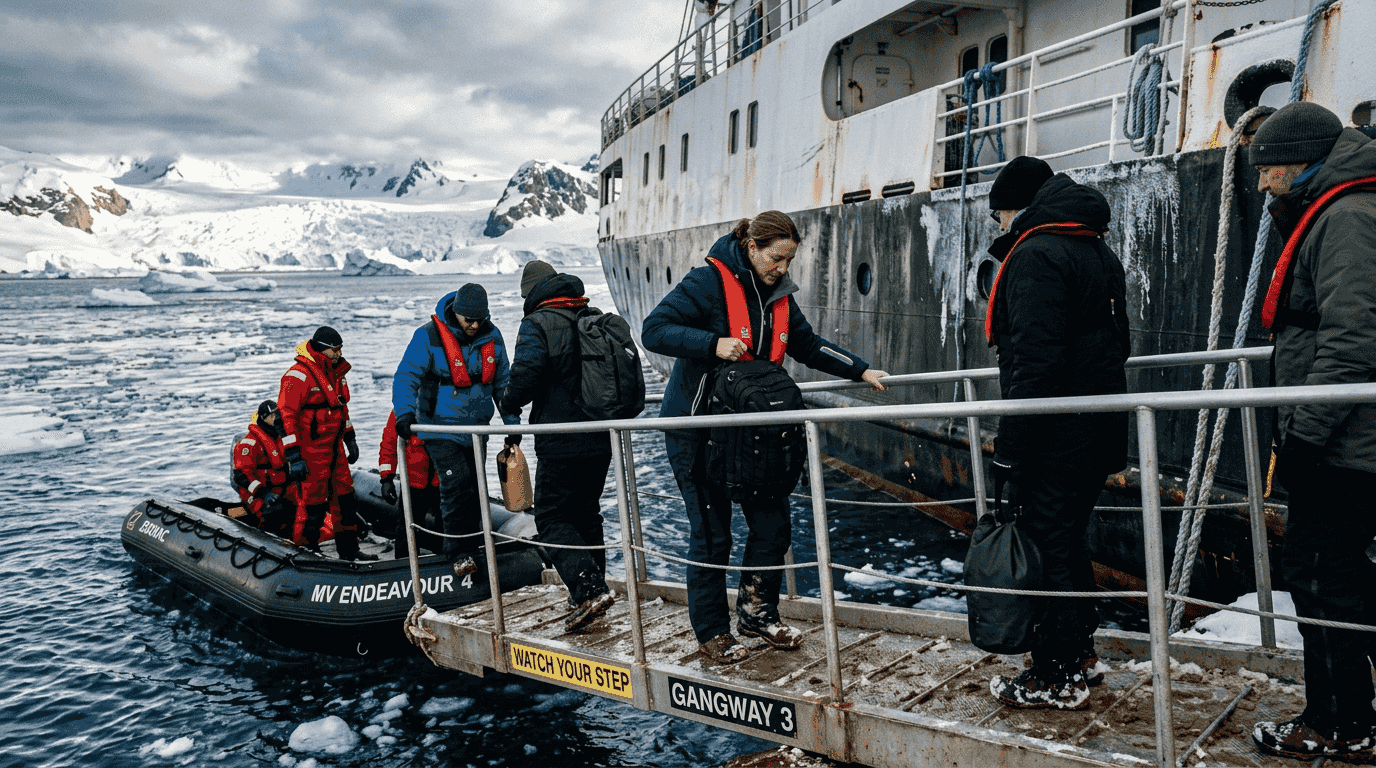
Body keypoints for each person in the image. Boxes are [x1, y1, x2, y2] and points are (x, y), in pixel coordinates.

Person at [642, 210, 889, 664]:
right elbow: (653, 330)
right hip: (698, 430)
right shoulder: (706, 283)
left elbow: (808, 345)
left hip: (753, 435)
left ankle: (757, 615)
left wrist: (860, 370)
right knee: (713, 536)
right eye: (776, 258)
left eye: (789, 260)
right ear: (752, 247)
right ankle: (713, 633)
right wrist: (712, 344)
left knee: (773, 528)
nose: (783, 268)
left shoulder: (778, 295)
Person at [1245, 102, 1376, 760]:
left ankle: (1339, 724)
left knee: (1322, 576)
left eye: (1267, 170)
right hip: (1344, 439)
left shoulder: (1347, 217)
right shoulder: (1337, 209)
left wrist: (1304, 438)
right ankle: (1345, 714)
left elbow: (1353, 342)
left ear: (1297, 162)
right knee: (1335, 575)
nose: (1261, 184)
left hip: (1344, 444)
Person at [980, 156, 1129, 710]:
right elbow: (1119, 343)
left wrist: (1010, 448)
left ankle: (1056, 674)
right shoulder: (1094, 248)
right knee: (1067, 539)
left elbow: (1034, 365)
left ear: (1014, 208)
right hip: (1096, 426)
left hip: (1056, 434)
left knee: (1048, 543)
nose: (998, 226)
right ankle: (1079, 656)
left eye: (997, 215)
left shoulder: (1036, 254)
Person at [500, 260, 619, 632]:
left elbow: (525, 375)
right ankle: (592, 590)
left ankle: (589, 591)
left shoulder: (538, 323)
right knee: (587, 514)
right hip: (600, 435)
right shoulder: (591, 314)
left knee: (551, 518)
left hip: (561, 437)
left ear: (531, 292)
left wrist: (508, 403)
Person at [392, 284, 521, 576]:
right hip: (438, 428)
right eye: (468, 320)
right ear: (456, 313)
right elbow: (406, 376)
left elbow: (503, 383)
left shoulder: (493, 337)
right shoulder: (427, 336)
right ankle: (456, 553)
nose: (474, 325)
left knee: (475, 488)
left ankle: (473, 547)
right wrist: (404, 414)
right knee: (456, 484)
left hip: (476, 431)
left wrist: (512, 424)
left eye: (479, 320)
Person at [278, 326, 376, 561]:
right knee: (312, 506)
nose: (338, 354)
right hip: (310, 451)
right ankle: (306, 553)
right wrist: (293, 456)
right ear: (322, 349)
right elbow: (286, 417)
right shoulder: (297, 376)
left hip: (334, 449)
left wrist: (350, 439)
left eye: (340, 349)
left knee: (345, 501)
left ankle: (349, 550)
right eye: (334, 349)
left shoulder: (336, 374)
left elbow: (342, 410)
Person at [379, 409, 442, 558]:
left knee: (447, 522)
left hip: (442, 479)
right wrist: (387, 479)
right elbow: (389, 443)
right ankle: (405, 563)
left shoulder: (447, 403)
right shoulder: (402, 408)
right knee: (407, 526)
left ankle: (447, 559)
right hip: (414, 481)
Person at [231, 400, 296, 537]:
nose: (275, 419)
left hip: (281, 487)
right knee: (274, 511)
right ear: (263, 418)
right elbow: (241, 476)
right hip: (257, 492)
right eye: (271, 416)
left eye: (276, 415)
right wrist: (263, 493)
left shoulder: (281, 437)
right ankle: (268, 539)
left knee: (308, 500)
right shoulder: (249, 444)